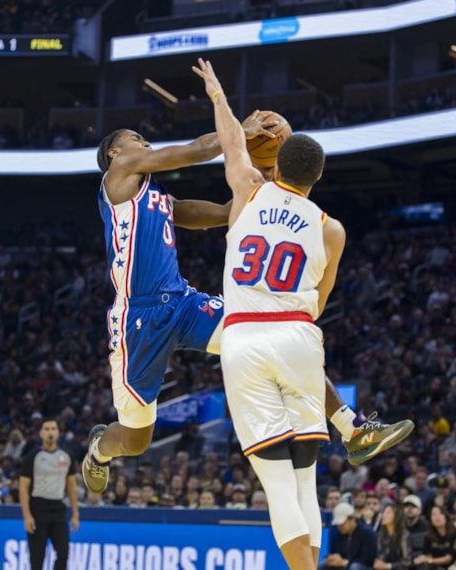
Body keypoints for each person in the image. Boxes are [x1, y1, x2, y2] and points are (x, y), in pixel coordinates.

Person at [83, 67, 412, 494]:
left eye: (144, 140)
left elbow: (193, 214)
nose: (144, 143)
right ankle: (99, 449)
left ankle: (353, 429)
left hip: (182, 303)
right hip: (138, 318)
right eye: (135, 138)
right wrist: (240, 131)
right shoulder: (120, 172)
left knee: (278, 335)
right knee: (136, 439)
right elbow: (196, 150)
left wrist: (236, 208)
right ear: (115, 152)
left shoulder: (154, 194)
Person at [190, 57, 411, 570]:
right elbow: (320, 299)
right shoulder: (332, 229)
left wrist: (219, 95)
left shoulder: (248, 189)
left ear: (276, 164)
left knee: (276, 484)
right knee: (305, 480)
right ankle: (352, 429)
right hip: (297, 336)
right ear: (318, 176)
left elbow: (232, 142)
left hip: (244, 339)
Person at [19, 418, 79, 570]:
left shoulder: (67, 456)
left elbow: (72, 486)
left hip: (58, 508)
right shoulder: (32, 457)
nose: (50, 432)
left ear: (58, 433)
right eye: (46, 429)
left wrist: (75, 514)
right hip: (37, 508)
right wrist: (27, 516)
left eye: (53, 428)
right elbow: (23, 488)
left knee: (63, 553)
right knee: (37, 558)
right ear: (40, 433)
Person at [321, 503, 378, 570]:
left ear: (352, 519)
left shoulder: (367, 534)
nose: (340, 527)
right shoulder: (341, 533)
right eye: (338, 525)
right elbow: (341, 554)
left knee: (355, 567)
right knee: (323, 566)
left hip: (363, 566)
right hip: (347, 565)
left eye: (342, 524)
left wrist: (344, 562)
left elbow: (367, 560)